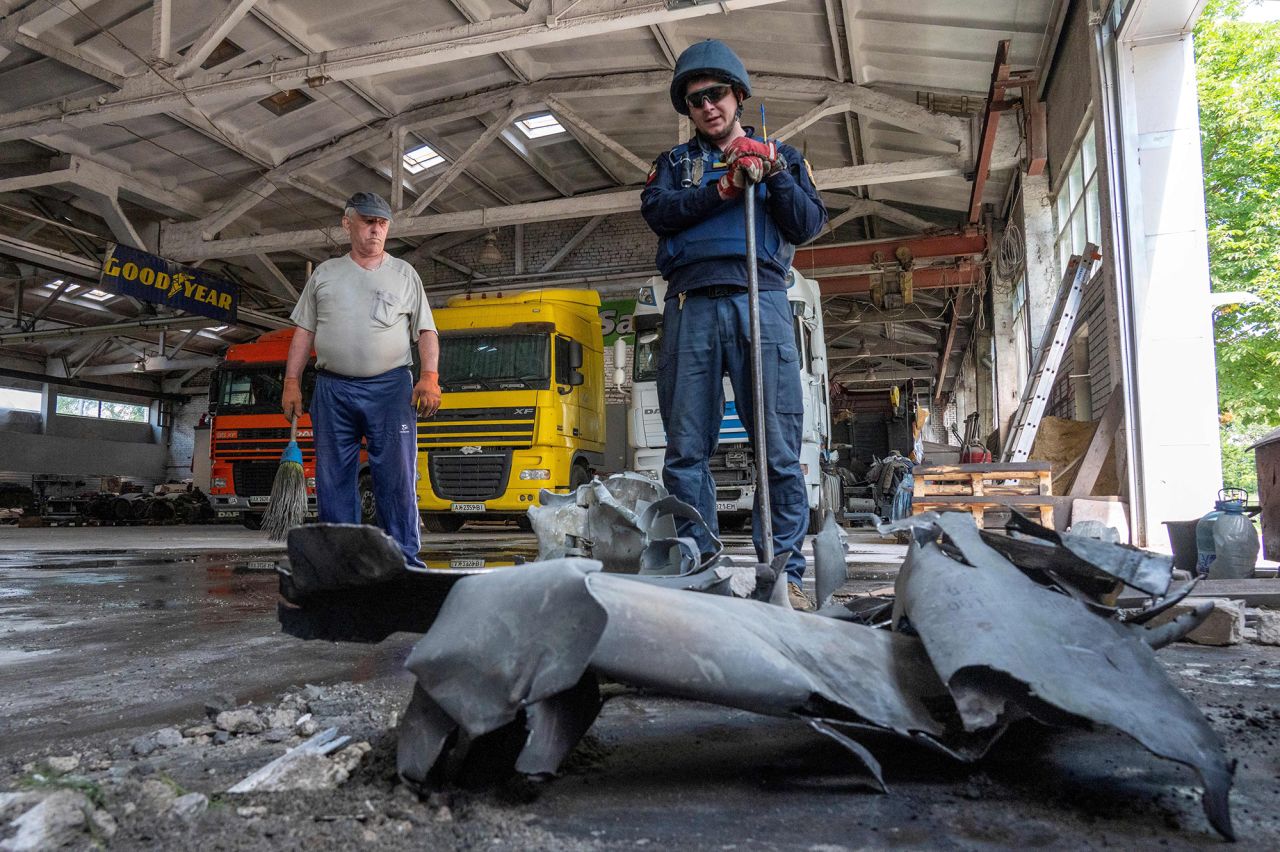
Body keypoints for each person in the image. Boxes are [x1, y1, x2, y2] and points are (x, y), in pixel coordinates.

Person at [640, 40, 827, 610]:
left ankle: (784, 573)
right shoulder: (673, 167)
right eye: (695, 100)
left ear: (738, 95)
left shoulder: (784, 156)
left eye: (716, 94)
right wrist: (722, 187)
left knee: (776, 447)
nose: (707, 107)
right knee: (686, 449)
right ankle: (700, 564)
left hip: (762, 298)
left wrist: (770, 174)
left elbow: (808, 223)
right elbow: (658, 213)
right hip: (690, 303)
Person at [281, 192, 441, 567]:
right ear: (347, 222)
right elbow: (304, 332)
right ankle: (341, 564)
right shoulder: (325, 274)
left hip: (390, 388)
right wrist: (291, 380)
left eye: (382, 223)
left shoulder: (404, 274)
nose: (375, 230)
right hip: (333, 389)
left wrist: (430, 376)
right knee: (333, 479)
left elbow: (426, 331)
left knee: (396, 477)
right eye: (368, 221)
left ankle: (402, 562)